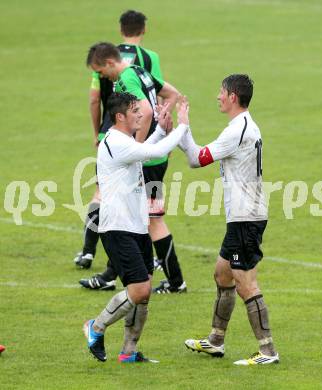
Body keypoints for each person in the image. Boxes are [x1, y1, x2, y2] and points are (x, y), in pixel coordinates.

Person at [180, 74, 279, 365]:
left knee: (245, 282)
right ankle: (216, 341)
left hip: (246, 217)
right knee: (222, 273)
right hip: (242, 216)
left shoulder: (237, 131)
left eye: (221, 92)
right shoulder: (242, 126)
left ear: (233, 96)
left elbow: (196, 159)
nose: (218, 96)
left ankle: (268, 351)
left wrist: (181, 128)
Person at [83, 92, 189, 363]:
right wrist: (182, 127)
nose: (142, 114)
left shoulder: (123, 140)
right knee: (139, 289)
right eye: (135, 111)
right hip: (118, 228)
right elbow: (154, 152)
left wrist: (162, 130)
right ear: (120, 116)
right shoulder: (117, 141)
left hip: (137, 226)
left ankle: (128, 352)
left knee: (144, 294)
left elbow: (143, 152)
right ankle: (95, 327)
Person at [82, 41, 187, 294]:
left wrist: (135, 148)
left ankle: (175, 282)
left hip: (148, 159)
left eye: (100, 71)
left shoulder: (127, 78)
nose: (101, 76)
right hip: (154, 154)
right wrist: (163, 125)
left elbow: (147, 110)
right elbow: (172, 94)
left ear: (109, 63)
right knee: (142, 217)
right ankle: (122, 273)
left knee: (149, 220)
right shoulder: (140, 70)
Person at [74, 10, 163, 280]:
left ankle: (89, 251)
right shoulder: (150, 59)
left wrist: (97, 131)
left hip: (112, 134)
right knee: (148, 201)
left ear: (121, 29)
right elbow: (155, 94)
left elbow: (93, 98)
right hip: (142, 134)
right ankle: (149, 265)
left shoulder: (105, 57)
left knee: (103, 195)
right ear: (143, 29)